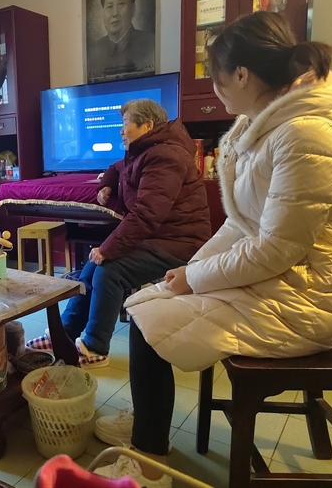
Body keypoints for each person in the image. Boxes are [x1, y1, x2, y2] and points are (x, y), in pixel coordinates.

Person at [93, 12, 332, 487]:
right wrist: (192, 269)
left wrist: (195, 276)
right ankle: (148, 423)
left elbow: (276, 249)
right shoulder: (266, 125)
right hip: (284, 277)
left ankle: (149, 458)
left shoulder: (307, 135)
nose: (214, 88)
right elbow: (242, 224)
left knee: (148, 319)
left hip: (310, 297)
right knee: (148, 301)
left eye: (216, 76)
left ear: (242, 75)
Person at [32, 99, 210, 368]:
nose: (121, 130)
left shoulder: (165, 157)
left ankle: (94, 348)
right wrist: (106, 185)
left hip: (179, 243)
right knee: (92, 266)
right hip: (157, 237)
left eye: (126, 123)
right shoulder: (145, 151)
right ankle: (64, 336)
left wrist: (107, 249)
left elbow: (146, 215)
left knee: (109, 270)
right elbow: (117, 168)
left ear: (147, 126)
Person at [87, 0, 155, 82]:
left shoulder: (150, 43)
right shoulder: (93, 51)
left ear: (133, 9)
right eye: (109, 7)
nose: (115, 13)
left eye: (121, 4)